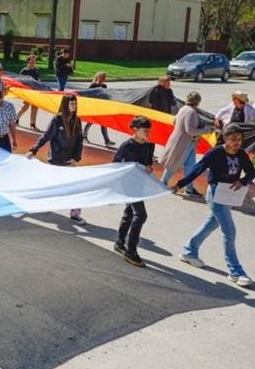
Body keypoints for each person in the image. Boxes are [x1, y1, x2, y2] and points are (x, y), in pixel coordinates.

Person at [172, 123, 255, 287]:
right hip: (216, 194)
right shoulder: (215, 153)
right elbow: (197, 169)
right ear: (225, 138)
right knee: (229, 230)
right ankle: (235, 271)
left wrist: (243, 180)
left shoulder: (241, 154)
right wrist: (179, 184)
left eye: (239, 139)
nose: (237, 143)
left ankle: (189, 251)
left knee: (211, 224)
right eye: (233, 139)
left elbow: (251, 172)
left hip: (230, 194)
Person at [27, 94, 86, 225]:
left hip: (69, 160)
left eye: (75, 104)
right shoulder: (57, 120)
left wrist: (76, 158)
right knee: (50, 186)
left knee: (75, 189)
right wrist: (33, 150)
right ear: (65, 105)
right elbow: (46, 136)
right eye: (71, 104)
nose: (74, 106)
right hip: (56, 159)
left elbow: (79, 141)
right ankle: (41, 205)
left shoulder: (77, 121)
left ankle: (75, 214)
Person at [112, 116, 156, 268]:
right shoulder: (127, 145)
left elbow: (148, 160)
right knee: (141, 215)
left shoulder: (149, 145)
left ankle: (119, 243)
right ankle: (131, 250)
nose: (148, 133)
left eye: (149, 130)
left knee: (129, 214)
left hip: (140, 184)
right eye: (145, 130)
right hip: (129, 185)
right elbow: (115, 164)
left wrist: (149, 166)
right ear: (136, 130)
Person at [159, 91, 213, 197]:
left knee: (190, 165)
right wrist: (207, 130)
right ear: (198, 101)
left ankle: (189, 188)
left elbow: (174, 120)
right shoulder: (191, 112)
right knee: (174, 163)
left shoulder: (183, 109)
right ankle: (163, 182)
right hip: (184, 143)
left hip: (185, 142)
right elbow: (190, 130)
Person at [83, 71, 115, 146]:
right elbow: (88, 95)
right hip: (93, 106)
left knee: (103, 123)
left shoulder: (104, 86)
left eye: (103, 77)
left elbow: (105, 96)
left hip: (102, 107)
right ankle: (84, 136)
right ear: (97, 77)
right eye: (101, 77)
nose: (102, 79)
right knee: (91, 122)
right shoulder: (93, 85)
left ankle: (107, 141)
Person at [16, 55, 41, 131]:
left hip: (36, 92)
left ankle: (32, 124)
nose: (33, 62)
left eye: (34, 61)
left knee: (35, 108)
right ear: (28, 61)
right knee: (25, 107)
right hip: (27, 91)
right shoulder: (24, 71)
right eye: (31, 61)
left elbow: (39, 80)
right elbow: (20, 81)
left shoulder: (37, 70)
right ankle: (16, 119)